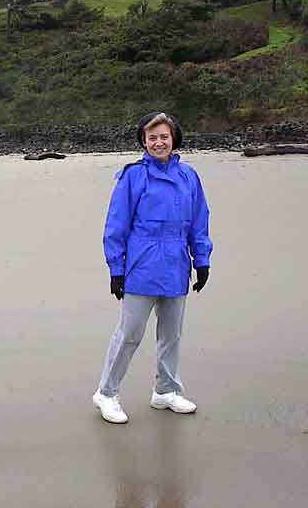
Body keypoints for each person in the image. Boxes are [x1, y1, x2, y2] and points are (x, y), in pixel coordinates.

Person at [93, 112, 212, 424]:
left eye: (164, 136)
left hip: (176, 264)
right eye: (152, 137)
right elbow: (116, 225)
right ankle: (107, 392)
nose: (159, 142)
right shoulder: (133, 176)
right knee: (130, 333)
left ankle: (166, 390)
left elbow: (199, 222)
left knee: (171, 334)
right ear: (144, 142)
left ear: (174, 139)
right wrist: (116, 269)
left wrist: (202, 260)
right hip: (141, 264)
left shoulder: (189, 177)